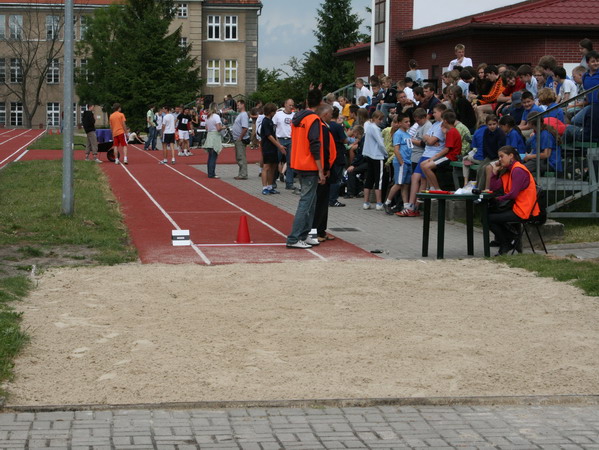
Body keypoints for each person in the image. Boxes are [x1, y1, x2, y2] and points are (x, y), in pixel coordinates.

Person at [286, 89, 335, 249]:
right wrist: (321, 169)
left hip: (298, 162)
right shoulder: (313, 119)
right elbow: (315, 145)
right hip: (309, 164)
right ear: (320, 102)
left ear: (307, 101)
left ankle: (304, 234)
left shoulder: (297, 118)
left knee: (311, 201)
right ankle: (294, 238)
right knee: (306, 201)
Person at [488, 146, 540, 255]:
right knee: (488, 215)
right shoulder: (509, 171)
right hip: (516, 207)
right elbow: (493, 188)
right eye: (498, 157)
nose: (499, 160)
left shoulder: (518, 170)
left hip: (523, 210)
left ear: (511, 156)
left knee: (488, 218)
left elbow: (513, 194)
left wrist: (498, 199)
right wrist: (494, 172)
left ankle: (507, 241)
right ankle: (509, 239)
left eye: (502, 156)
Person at [419, 110, 462, 192]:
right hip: (448, 155)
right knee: (422, 164)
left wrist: (434, 157)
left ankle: (437, 189)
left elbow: (447, 149)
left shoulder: (452, 131)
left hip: (450, 157)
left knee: (427, 167)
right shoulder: (450, 131)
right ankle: (431, 186)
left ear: (445, 121)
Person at [384, 113, 412, 214]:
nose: (408, 123)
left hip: (408, 162)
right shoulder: (398, 134)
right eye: (406, 122)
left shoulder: (408, 134)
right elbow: (396, 149)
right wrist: (401, 162)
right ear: (400, 123)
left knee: (405, 185)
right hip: (401, 162)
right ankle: (387, 202)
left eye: (409, 121)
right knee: (398, 183)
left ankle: (406, 206)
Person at [361, 110, 388, 211]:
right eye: (380, 119)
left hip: (369, 155)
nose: (381, 121)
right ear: (375, 118)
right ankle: (379, 203)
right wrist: (386, 154)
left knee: (369, 178)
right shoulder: (376, 129)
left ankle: (366, 202)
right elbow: (380, 143)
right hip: (377, 156)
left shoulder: (368, 127)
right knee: (379, 180)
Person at [260, 102, 286, 195]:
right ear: (270, 112)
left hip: (273, 147)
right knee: (266, 167)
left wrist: (279, 146)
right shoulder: (265, 121)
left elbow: (274, 135)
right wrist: (279, 145)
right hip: (267, 147)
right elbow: (269, 136)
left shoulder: (271, 121)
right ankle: (264, 187)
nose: (275, 113)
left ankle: (270, 186)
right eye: (274, 111)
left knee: (273, 166)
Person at [273, 99, 295, 190]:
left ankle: (289, 183)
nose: (291, 107)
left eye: (292, 105)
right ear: (285, 104)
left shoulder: (295, 116)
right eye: (289, 105)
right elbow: (274, 128)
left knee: (290, 163)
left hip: (291, 140)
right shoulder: (278, 115)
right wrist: (277, 141)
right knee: (276, 162)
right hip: (280, 139)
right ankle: (273, 182)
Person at [203, 103, 223, 178]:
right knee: (214, 156)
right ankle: (212, 173)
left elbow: (206, 128)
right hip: (215, 136)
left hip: (209, 135)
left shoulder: (208, 117)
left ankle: (210, 172)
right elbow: (218, 128)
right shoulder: (216, 116)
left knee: (210, 156)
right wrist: (223, 127)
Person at [232, 100, 249, 180]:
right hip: (238, 138)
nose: (237, 107)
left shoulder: (244, 115)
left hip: (240, 139)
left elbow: (245, 128)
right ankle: (241, 173)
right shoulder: (241, 115)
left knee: (241, 156)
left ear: (243, 105)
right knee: (239, 156)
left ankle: (243, 174)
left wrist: (240, 138)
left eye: (238, 105)